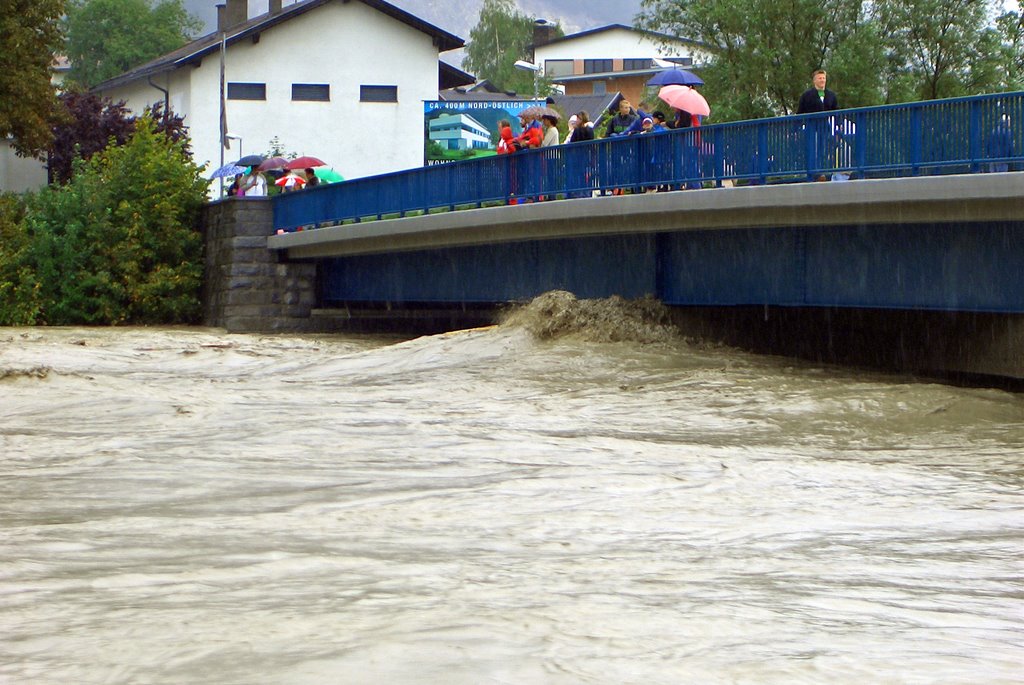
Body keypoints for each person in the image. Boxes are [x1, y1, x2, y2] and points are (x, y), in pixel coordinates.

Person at [797, 69, 839, 181]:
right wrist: (797, 128)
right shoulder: (807, 95)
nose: (822, 80)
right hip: (812, 127)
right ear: (814, 80)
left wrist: (838, 126)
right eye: (820, 78)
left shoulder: (831, 95)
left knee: (825, 149)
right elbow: (800, 113)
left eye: (824, 78)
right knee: (813, 149)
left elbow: (836, 112)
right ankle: (814, 172)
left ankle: (824, 172)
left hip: (825, 126)